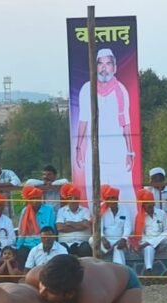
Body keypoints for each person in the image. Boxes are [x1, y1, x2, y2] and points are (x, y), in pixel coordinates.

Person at [74, 48, 135, 215]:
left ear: (114, 67)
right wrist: (79, 148)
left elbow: (126, 124)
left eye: (108, 63)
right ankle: (98, 233)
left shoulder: (121, 90)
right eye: (100, 63)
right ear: (95, 67)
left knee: (122, 195)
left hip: (118, 152)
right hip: (95, 154)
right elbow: (83, 121)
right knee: (95, 194)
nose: (104, 68)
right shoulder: (87, 89)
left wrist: (130, 152)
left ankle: (127, 233)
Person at [131, 188, 167, 274]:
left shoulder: (161, 213)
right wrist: (150, 243)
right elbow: (141, 236)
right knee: (149, 248)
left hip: (161, 244)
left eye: (150, 202)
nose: (149, 205)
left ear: (154, 203)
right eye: (146, 203)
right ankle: (149, 270)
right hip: (146, 243)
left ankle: (150, 244)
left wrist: (154, 242)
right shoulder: (140, 217)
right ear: (143, 205)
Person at [16, 184, 56, 266]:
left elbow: (51, 229)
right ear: (29, 200)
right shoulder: (25, 211)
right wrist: (18, 247)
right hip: (28, 243)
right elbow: (21, 231)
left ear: (41, 199)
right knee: (21, 252)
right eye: (32, 198)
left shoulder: (49, 209)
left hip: (44, 241)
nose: (35, 201)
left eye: (37, 198)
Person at [92, 185, 131, 265]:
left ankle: (120, 271)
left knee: (118, 249)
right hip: (107, 240)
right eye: (108, 198)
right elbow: (99, 227)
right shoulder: (102, 210)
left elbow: (128, 227)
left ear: (117, 199)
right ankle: (109, 250)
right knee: (92, 239)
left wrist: (123, 239)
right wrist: (103, 238)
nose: (111, 200)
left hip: (119, 240)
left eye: (113, 198)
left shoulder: (124, 209)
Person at [55, 184, 92, 256]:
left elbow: (86, 225)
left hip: (82, 242)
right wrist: (80, 225)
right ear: (67, 200)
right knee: (61, 250)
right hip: (65, 242)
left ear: (79, 199)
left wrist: (70, 223)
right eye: (70, 198)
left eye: (75, 198)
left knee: (86, 248)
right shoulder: (61, 211)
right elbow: (60, 227)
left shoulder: (85, 210)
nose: (73, 200)